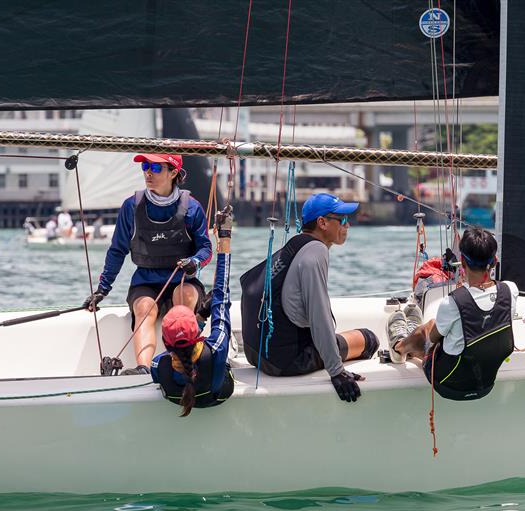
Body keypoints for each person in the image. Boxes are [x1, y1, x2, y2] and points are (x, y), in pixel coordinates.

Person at [240, 193, 380, 403]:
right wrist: (337, 372)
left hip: (257, 355)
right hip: (287, 362)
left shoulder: (294, 247)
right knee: (369, 339)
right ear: (322, 223)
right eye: (341, 219)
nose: (347, 225)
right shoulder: (316, 252)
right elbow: (319, 316)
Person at [84, 153, 213, 374]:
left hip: (182, 279)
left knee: (183, 299)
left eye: (155, 167)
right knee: (144, 308)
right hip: (146, 281)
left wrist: (195, 262)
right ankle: (143, 368)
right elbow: (117, 251)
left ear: (173, 173)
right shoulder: (131, 206)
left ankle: (182, 363)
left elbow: (206, 249)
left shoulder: (192, 207)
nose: (147, 172)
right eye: (145, 166)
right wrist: (102, 290)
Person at [388, 226, 519, 400]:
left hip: (448, 384)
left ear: (462, 262)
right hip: (485, 384)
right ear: (494, 261)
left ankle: (399, 346)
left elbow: (431, 340)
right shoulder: (510, 290)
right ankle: (408, 341)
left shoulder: (453, 303)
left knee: (428, 328)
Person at [151, 207, 235, 416]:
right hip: (218, 395)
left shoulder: (157, 365)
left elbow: (178, 355)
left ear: (165, 340)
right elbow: (222, 297)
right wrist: (224, 239)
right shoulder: (215, 349)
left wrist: (200, 317)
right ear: (196, 337)